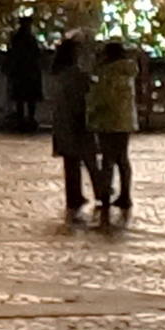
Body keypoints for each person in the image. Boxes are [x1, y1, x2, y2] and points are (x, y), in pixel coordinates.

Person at [47, 36, 103, 213]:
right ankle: (101, 192)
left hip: (62, 121)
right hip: (78, 120)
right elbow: (86, 92)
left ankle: (73, 195)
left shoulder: (58, 74)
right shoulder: (76, 75)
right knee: (90, 160)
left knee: (70, 162)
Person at [88, 38, 140, 211]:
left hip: (107, 119)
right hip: (125, 120)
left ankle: (105, 195)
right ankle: (126, 194)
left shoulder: (107, 73)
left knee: (107, 159)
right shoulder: (128, 72)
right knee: (122, 158)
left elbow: (102, 98)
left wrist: (91, 111)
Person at [5, 16, 44, 133]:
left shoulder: (16, 38)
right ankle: (29, 119)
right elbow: (36, 54)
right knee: (30, 100)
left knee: (20, 99)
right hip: (30, 73)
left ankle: (21, 120)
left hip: (20, 73)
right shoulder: (30, 39)